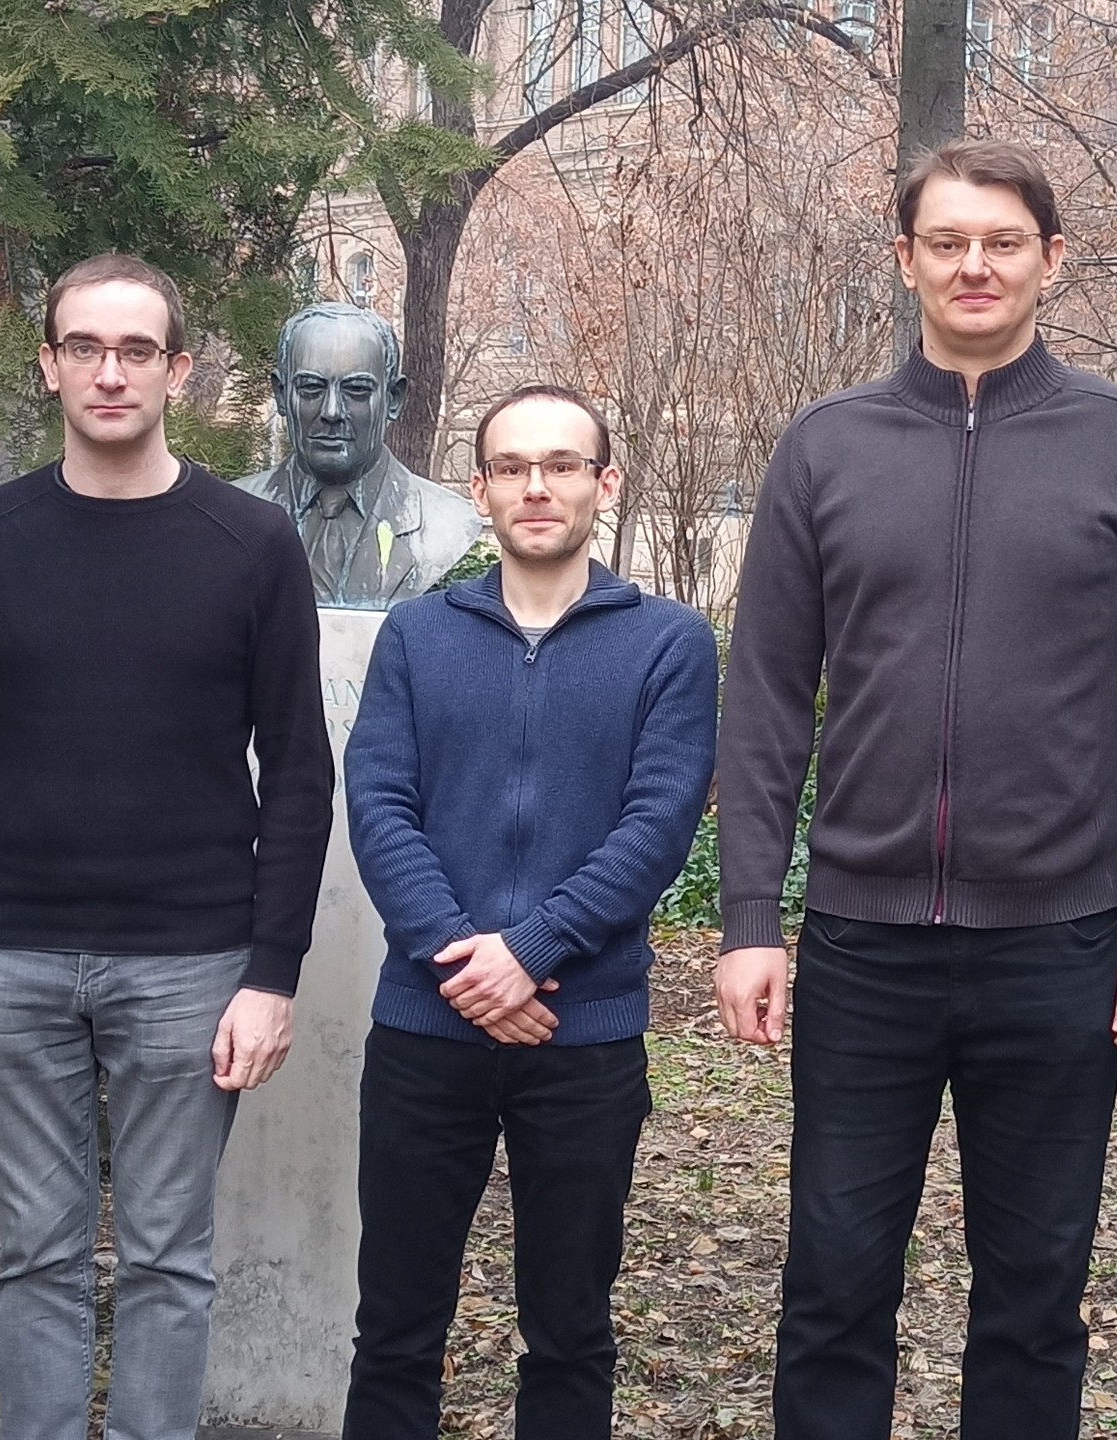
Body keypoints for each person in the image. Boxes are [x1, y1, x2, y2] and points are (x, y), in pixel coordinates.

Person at [712, 136, 1117, 1440]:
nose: (974, 265)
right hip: (862, 947)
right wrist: (751, 918)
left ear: (1052, 259)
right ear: (907, 261)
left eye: (1002, 241)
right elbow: (764, 696)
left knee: (1035, 1296)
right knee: (833, 1285)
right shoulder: (828, 446)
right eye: (947, 242)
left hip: (1056, 947)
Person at [0, 254, 335, 1440]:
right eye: (84, 347)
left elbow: (299, 773)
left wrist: (272, 975)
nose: (110, 372)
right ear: (48, 366)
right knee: (34, 1255)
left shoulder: (252, 545)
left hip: (191, 962)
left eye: (137, 350)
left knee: (168, 1259)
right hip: (3, 956)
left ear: (179, 370)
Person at [338, 383, 718, 1438]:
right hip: (425, 1032)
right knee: (395, 1327)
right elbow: (378, 803)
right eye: (512, 467)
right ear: (481, 490)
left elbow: (657, 823)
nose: (536, 486)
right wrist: (460, 959)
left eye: (560, 465)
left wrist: (533, 948)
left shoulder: (669, 642)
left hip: (583, 1037)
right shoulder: (417, 636)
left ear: (606, 483)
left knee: (570, 1331)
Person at [230, 301, 483, 606]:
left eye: (356, 390)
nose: (332, 411)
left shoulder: (448, 523)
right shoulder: (229, 515)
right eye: (311, 388)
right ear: (282, 395)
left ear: (393, 399)